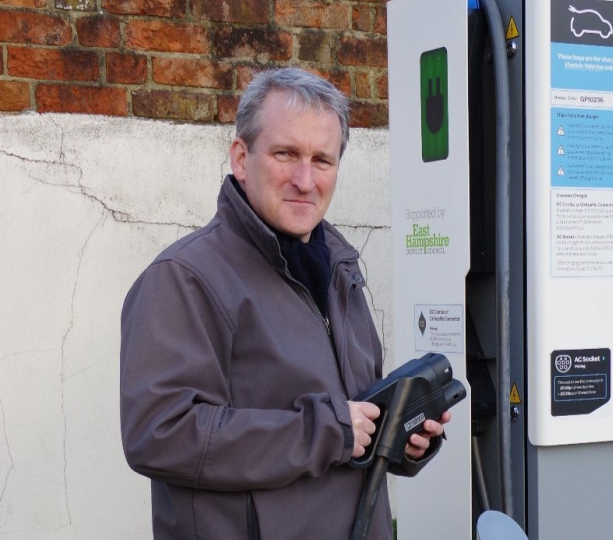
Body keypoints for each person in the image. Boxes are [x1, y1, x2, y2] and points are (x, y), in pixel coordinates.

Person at [120, 67, 450, 540]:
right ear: (241, 157)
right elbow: (159, 434)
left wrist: (403, 439)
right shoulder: (182, 279)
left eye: (322, 160)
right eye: (285, 154)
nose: (304, 179)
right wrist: (326, 431)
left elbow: (354, 423)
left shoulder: (339, 268)